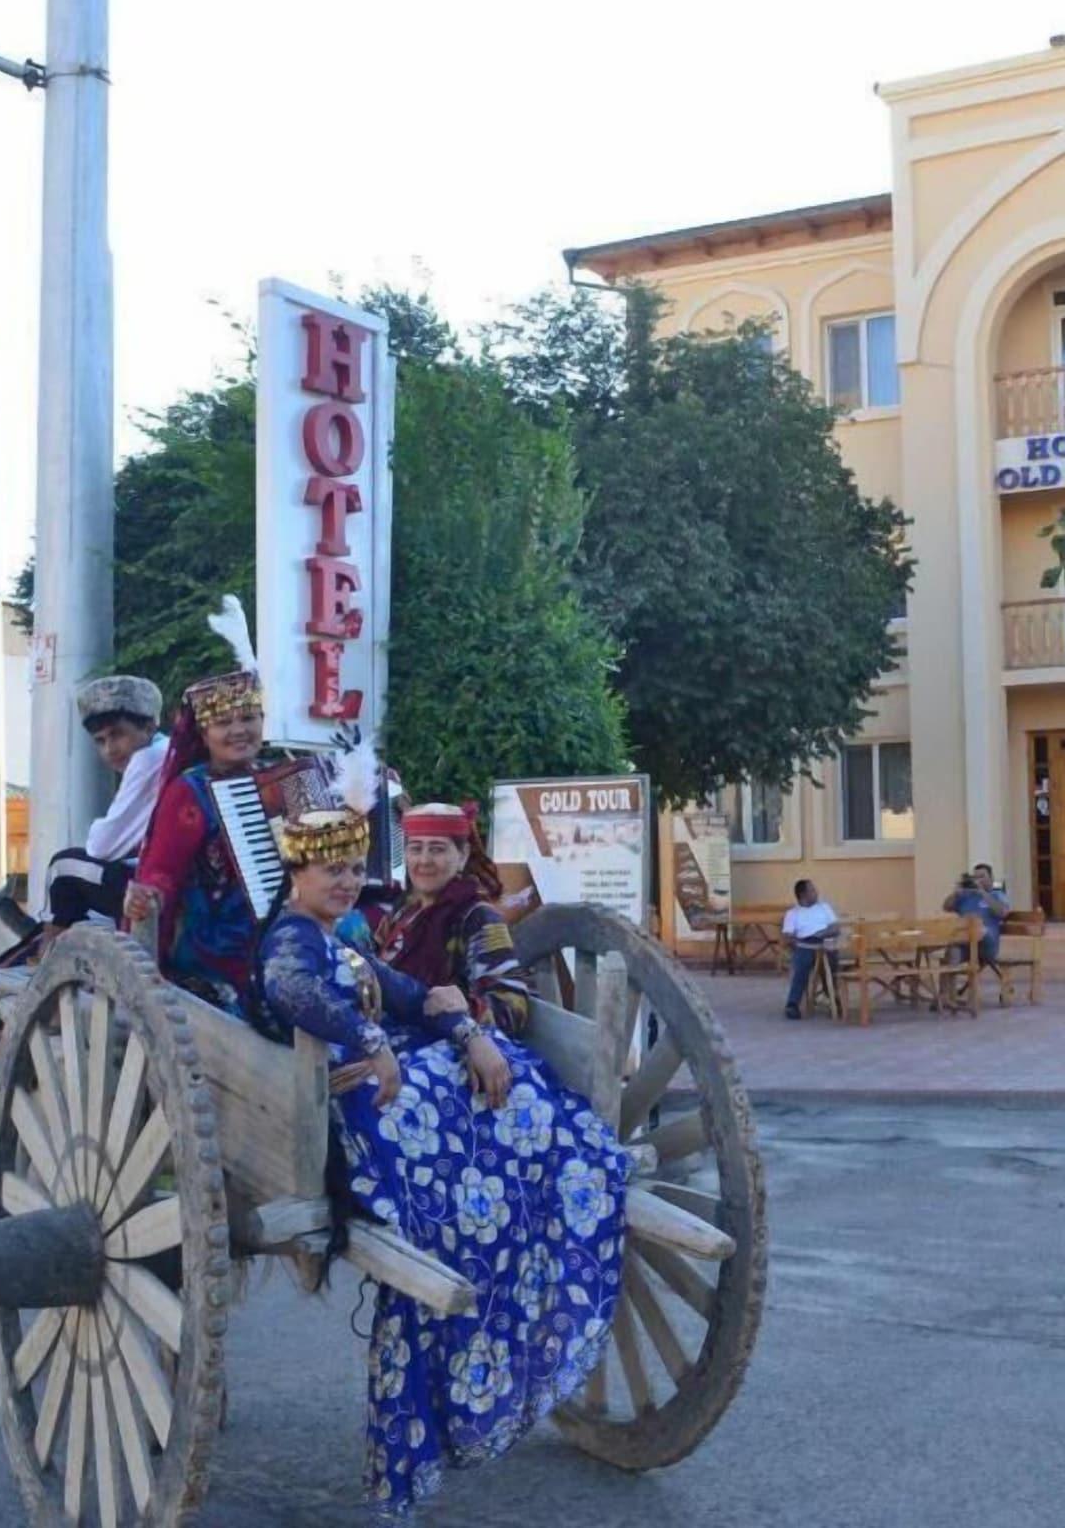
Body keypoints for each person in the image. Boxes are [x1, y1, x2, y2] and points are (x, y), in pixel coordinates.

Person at [251, 766, 627, 1522]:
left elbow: (411, 992)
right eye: (334, 870)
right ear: (298, 872)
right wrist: (369, 1037)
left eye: (357, 867)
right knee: (467, 1109)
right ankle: (518, 1196)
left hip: (381, 1080)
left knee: (496, 1078)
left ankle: (535, 1187)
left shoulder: (354, 942)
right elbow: (293, 993)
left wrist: (466, 1031)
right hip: (350, 1107)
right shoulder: (293, 938)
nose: (350, 882)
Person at [127, 596, 266, 1011]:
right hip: (210, 951)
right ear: (203, 735)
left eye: (248, 719)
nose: (239, 731)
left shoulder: (283, 776)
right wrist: (145, 901)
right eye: (223, 723)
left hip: (281, 936)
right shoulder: (190, 792)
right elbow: (161, 873)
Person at [362, 801, 532, 1035]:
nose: (424, 860)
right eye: (415, 848)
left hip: (450, 1047)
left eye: (437, 849)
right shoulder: (403, 911)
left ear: (463, 856)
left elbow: (513, 1003)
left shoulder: (477, 917)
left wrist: (466, 1007)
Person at [46, 675, 168, 928]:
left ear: (148, 727)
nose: (109, 750)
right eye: (100, 741)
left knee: (62, 865)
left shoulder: (147, 760)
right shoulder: (168, 750)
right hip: (173, 880)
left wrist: (100, 829)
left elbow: (102, 847)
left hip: (153, 890)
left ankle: (48, 953)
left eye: (117, 735)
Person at [781, 877, 840, 1020]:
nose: (816, 892)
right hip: (804, 947)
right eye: (812, 890)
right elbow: (788, 937)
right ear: (803, 895)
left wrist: (821, 934)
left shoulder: (824, 907)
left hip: (825, 944)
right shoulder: (793, 914)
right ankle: (792, 1004)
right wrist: (799, 943)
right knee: (802, 965)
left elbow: (835, 927)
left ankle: (833, 998)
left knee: (830, 964)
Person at [942, 863, 1011, 967]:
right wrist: (955, 894)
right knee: (952, 952)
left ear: (991, 878)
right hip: (965, 943)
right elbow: (946, 907)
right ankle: (949, 980)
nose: (978, 880)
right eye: (975, 877)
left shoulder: (997, 895)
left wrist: (982, 892)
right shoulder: (967, 896)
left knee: (979, 930)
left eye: (982, 877)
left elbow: (1003, 912)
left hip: (986, 946)